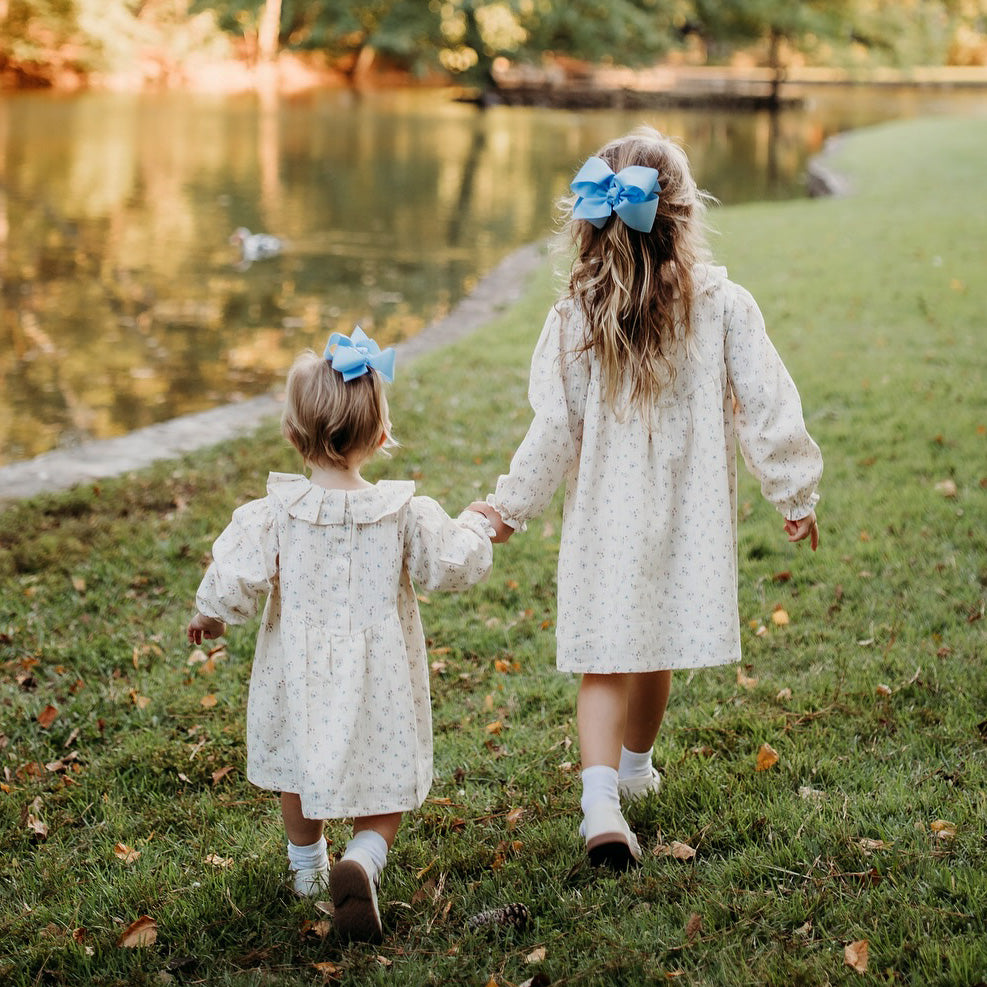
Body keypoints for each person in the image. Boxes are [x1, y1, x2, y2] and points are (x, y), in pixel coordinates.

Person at [470, 127, 822, 872]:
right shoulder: (723, 305)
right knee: (653, 644)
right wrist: (793, 489)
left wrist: (509, 506)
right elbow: (766, 404)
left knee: (604, 658)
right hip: (683, 519)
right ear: (686, 214)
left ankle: (602, 799)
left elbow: (553, 431)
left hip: (604, 516)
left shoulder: (575, 316)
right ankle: (634, 768)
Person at [187, 328, 494, 940]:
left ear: (293, 435)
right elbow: (451, 566)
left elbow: (236, 576)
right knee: (387, 775)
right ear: (380, 436)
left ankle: (309, 869)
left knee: (300, 769)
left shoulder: (274, 514)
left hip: (298, 672)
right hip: (380, 672)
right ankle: (365, 856)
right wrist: (479, 526)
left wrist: (211, 613)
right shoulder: (403, 512)